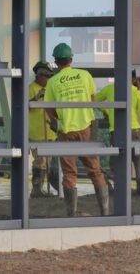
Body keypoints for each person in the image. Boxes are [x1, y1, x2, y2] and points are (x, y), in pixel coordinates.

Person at [43, 42, 110, 217]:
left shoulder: (52, 81)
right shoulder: (85, 75)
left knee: (69, 173)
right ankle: (104, 211)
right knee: (95, 169)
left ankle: (71, 214)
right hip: (86, 128)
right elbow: (92, 99)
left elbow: (48, 107)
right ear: (71, 59)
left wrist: (56, 121)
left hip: (66, 131)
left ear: (56, 61)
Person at [95, 74, 140, 195]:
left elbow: (94, 100)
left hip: (117, 130)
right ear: (134, 79)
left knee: (117, 159)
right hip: (135, 131)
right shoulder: (137, 93)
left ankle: (121, 187)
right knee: (138, 159)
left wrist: (106, 110)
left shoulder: (110, 88)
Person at [28, 60, 58, 198]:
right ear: (39, 75)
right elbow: (25, 106)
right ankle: (36, 189)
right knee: (40, 161)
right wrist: (36, 97)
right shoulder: (30, 88)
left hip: (50, 132)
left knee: (47, 161)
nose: (48, 79)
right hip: (37, 133)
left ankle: (41, 188)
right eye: (46, 76)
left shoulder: (52, 89)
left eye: (50, 76)